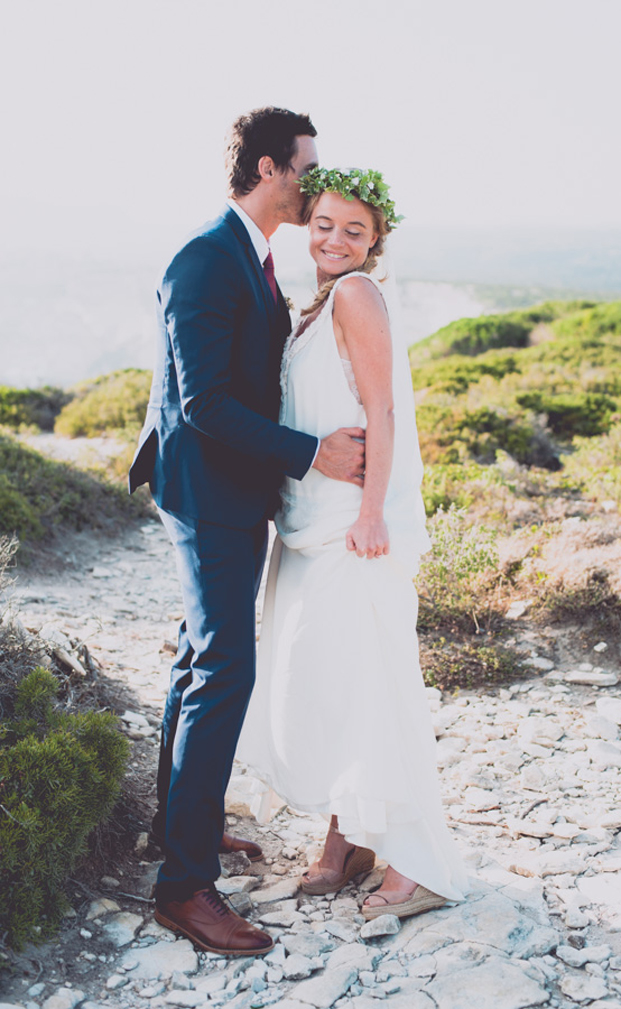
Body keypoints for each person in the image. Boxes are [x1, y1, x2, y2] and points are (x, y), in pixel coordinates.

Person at [128, 110, 366, 956]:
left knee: (201, 659)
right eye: (306, 168)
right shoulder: (204, 257)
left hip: (231, 489)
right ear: (270, 166)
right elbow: (201, 402)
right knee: (224, 668)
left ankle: (178, 834)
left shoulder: (252, 254)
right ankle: (184, 889)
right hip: (207, 494)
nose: (312, 183)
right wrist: (314, 455)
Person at [238, 167, 468, 919]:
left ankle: (413, 868)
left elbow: (382, 411)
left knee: (372, 686)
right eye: (326, 224)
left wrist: (372, 513)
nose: (336, 239)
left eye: (354, 230)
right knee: (332, 682)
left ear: (375, 242)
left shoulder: (357, 294)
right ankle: (349, 839)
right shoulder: (316, 303)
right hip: (313, 523)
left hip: (350, 528)